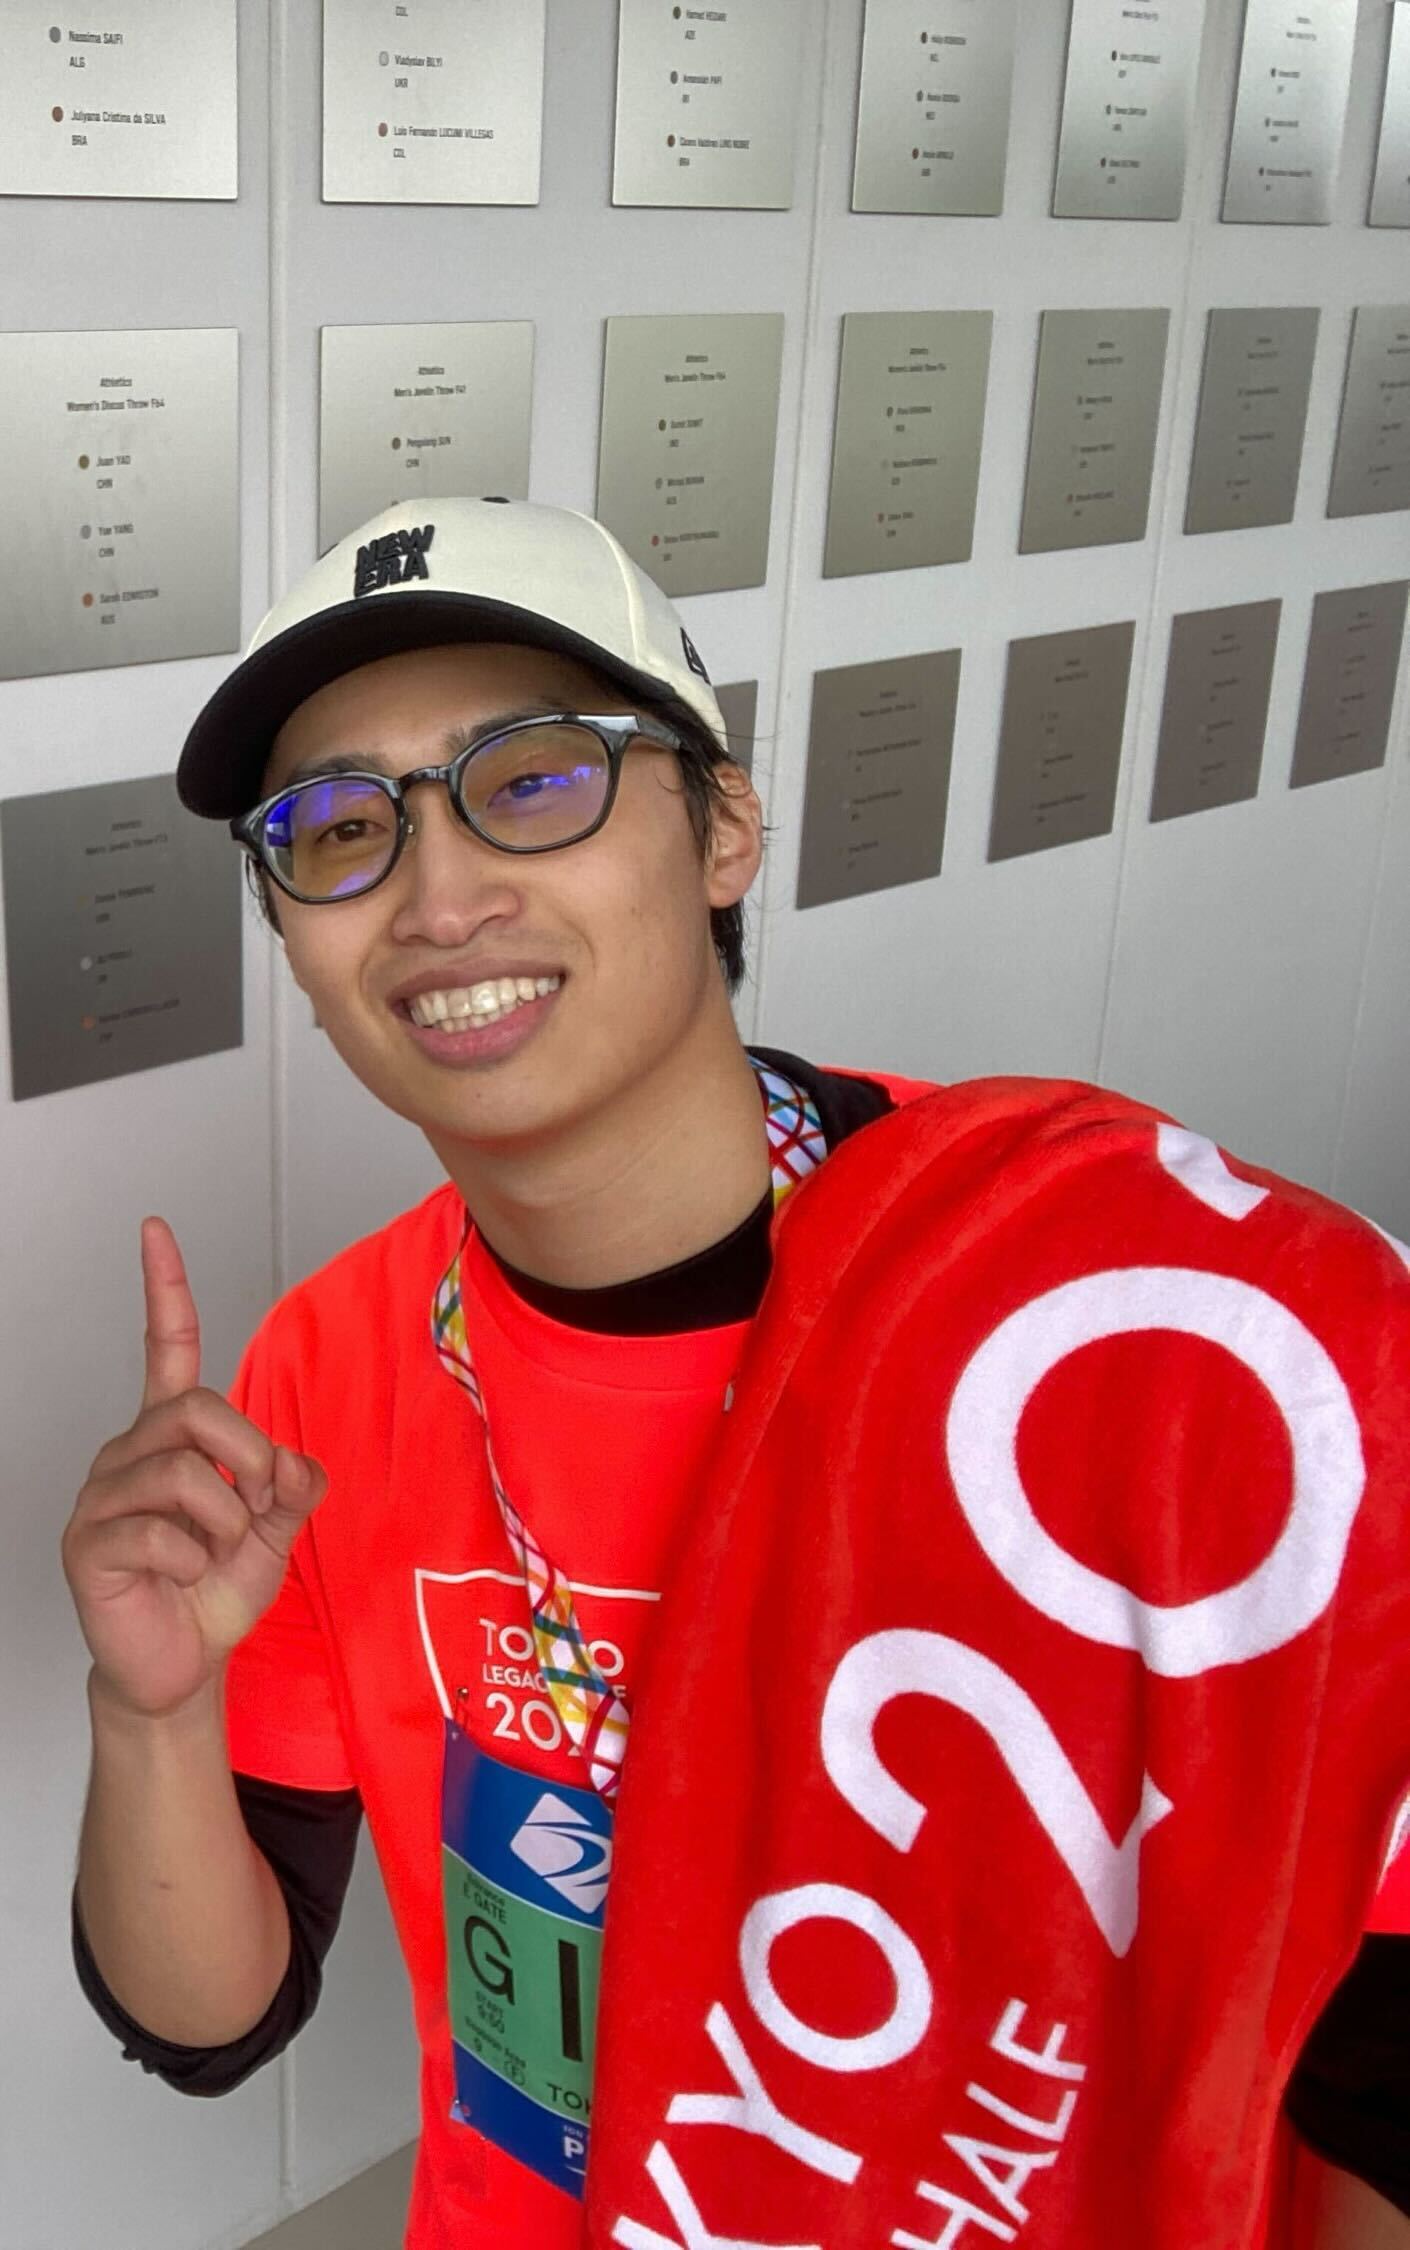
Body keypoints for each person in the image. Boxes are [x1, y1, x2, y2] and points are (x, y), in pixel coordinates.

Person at [61, 499, 1408, 2250]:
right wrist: (149, 1713)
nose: (440, 896)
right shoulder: (327, 1361)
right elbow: (212, 2025)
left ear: (722, 829)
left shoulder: (1113, 1321)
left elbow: (1377, 2050)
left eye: (534, 777)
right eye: (339, 828)